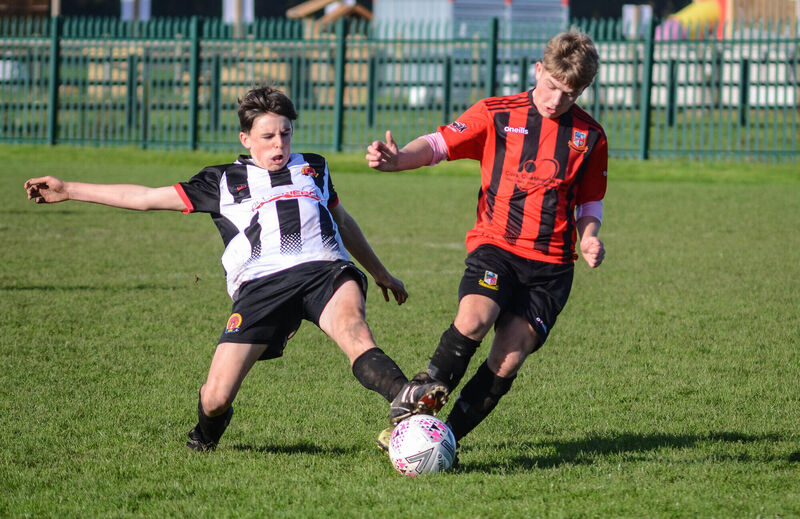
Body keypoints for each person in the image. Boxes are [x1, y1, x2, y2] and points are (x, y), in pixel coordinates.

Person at [25, 85, 447, 452]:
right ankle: (206, 434)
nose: (279, 144)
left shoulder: (313, 166)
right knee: (215, 397)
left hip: (325, 269)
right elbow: (145, 196)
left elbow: (342, 221)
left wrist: (379, 272)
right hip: (261, 286)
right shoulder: (222, 180)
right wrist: (69, 189)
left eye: (285, 133)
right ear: (246, 138)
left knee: (355, 332)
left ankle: (406, 395)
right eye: (267, 136)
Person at [367, 30, 608, 454]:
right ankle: (414, 418)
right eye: (550, 86)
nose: (555, 101)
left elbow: (590, 200)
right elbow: (440, 143)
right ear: (538, 70)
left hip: (551, 268)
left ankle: (445, 440)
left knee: (509, 356)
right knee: (475, 317)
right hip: (497, 246)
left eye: (569, 94)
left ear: (583, 90)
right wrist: (399, 159)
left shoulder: (590, 136)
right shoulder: (497, 114)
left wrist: (589, 236)